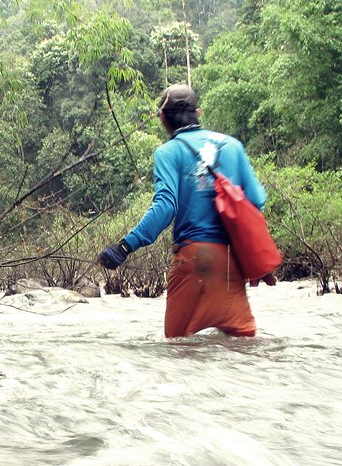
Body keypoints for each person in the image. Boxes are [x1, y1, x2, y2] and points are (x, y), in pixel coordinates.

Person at [97, 83, 273, 338]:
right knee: (243, 348)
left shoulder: (169, 152)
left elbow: (166, 206)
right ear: (197, 112)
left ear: (162, 118)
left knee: (178, 350)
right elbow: (256, 201)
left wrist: (125, 246)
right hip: (231, 264)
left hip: (194, 258)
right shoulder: (232, 146)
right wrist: (256, 256)